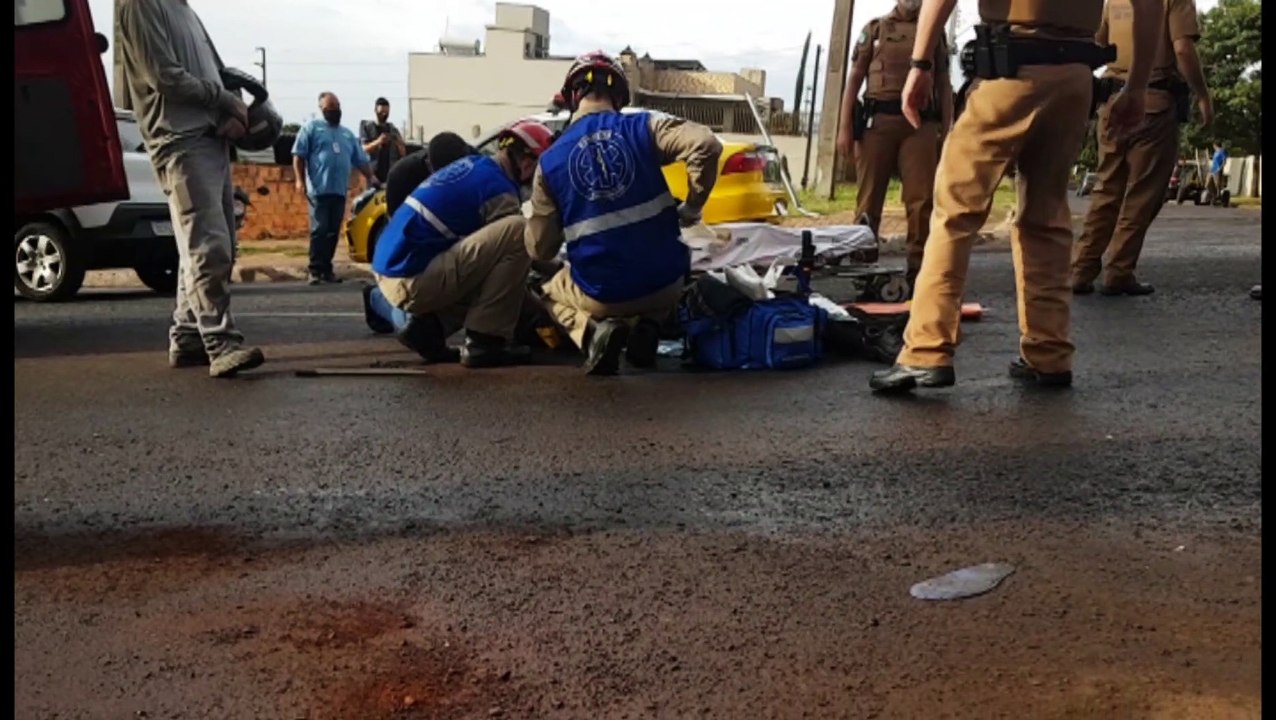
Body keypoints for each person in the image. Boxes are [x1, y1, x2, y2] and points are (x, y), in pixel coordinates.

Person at [871, 0, 1162, 394]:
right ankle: (1049, 351)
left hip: (1009, 72)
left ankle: (926, 351)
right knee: (1046, 214)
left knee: (956, 211)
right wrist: (1138, 86)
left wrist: (920, 64)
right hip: (1074, 78)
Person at [526, 51, 723, 376]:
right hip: (666, 285)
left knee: (547, 292)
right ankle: (649, 325)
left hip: (604, 295)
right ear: (619, 95)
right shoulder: (643, 128)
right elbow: (706, 144)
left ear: (574, 96)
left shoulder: (549, 162)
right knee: (661, 272)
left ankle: (594, 335)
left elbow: (539, 249)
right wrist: (691, 209)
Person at [117, 0, 264, 378]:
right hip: (179, 139)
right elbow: (164, 76)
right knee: (206, 244)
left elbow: (216, 75)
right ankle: (220, 343)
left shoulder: (182, 8)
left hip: (208, 135)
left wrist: (231, 112)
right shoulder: (140, 4)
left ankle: (187, 336)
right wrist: (225, 100)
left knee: (211, 244)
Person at [367, 119, 556, 369]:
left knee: (488, 270)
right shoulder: (500, 192)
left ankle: (430, 329)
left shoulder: (477, 168)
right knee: (519, 230)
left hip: (391, 270)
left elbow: (485, 264)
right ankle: (486, 341)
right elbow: (526, 255)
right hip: (409, 279)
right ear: (528, 163)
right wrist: (552, 298)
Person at [1071, 0, 1210, 297]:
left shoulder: (1113, 1)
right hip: (1153, 104)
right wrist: (1203, 95)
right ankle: (1119, 271)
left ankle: (1081, 268)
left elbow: (1094, 47)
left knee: (1106, 188)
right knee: (1142, 194)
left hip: (1111, 102)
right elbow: (1183, 49)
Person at [836, 0, 954, 287]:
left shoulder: (934, 33)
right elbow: (854, 78)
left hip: (919, 126)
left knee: (921, 201)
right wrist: (844, 127)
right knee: (868, 202)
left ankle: (918, 273)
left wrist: (949, 131)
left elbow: (943, 83)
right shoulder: (875, 30)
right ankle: (863, 272)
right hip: (878, 124)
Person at [292, 92, 380, 285]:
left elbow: (360, 160)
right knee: (320, 229)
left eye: (337, 107)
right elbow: (298, 155)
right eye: (330, 108)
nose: (335, 111)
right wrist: (299, 180)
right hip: (318, 190)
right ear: (322, 110)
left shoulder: (347, 134)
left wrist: (372, 178)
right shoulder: (311, 129)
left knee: (332, 230)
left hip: (339, 190)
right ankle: (315, 269)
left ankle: (326, 269)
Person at [384, 131, 475, 216]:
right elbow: (396, 224)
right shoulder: (400, 176)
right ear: (429, 166)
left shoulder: (471, 157)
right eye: (445, 179)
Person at [359, 97, 407, 184]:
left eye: (386, 112)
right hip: (372, 174)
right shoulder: (367, 127)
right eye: (381, 112)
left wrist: (398, 143)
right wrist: (378, 141)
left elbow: (403, 153)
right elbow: (363, 149)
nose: (384, 115)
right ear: (375, 110)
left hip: (390, 174)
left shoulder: (393, 129)